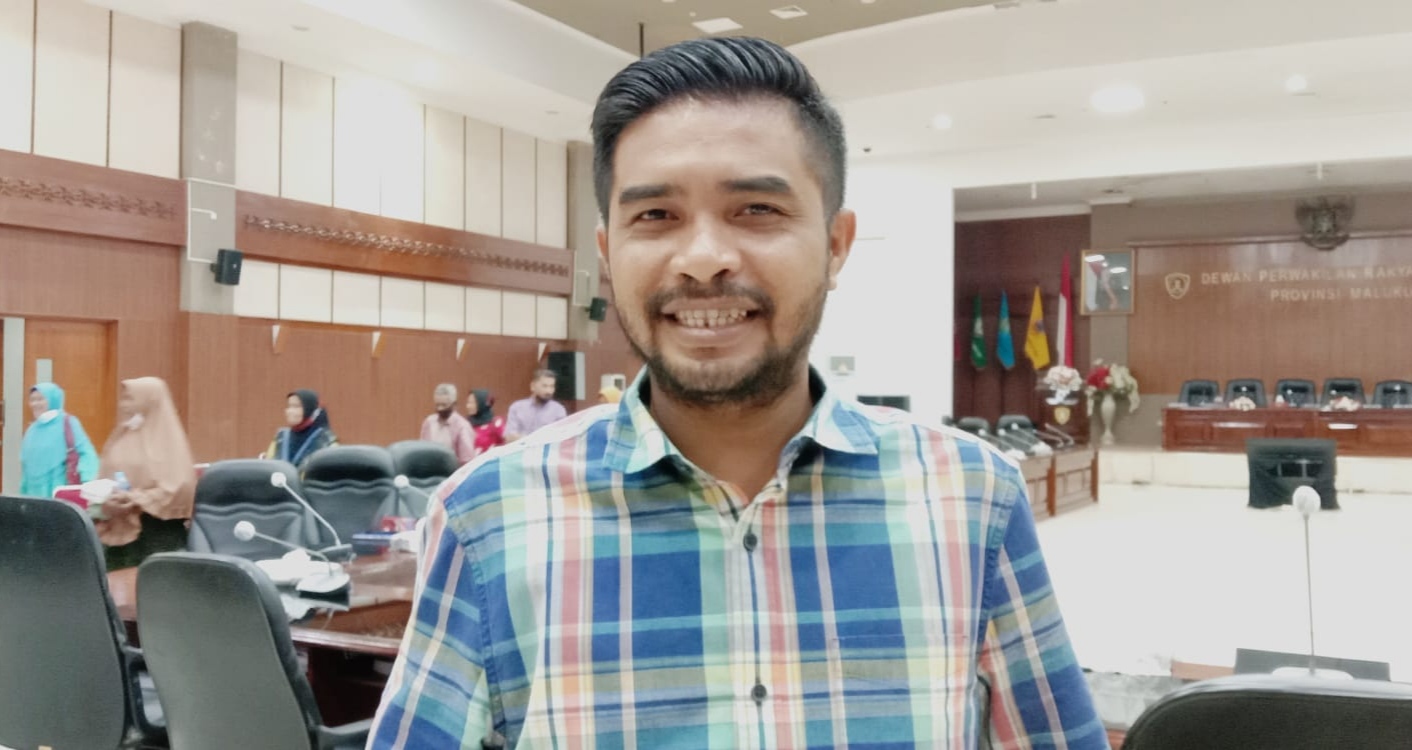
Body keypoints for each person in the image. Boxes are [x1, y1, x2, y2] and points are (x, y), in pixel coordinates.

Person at [370, 37, 1103, 749]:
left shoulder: (972, 497)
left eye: (756, 209)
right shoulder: (488, 516)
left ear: (837, 245)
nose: (703, 260)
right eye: (655, 216)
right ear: (607, 253)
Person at [97, 377, 196, 571]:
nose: (123, 404)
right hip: (118, 532)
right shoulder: (123, 435)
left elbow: (181, 486)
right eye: (123, 398)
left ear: (149, 400)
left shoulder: (168, 441)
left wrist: (137, 499)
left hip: (157, 534)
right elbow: (105, 475)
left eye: (130, 398)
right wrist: (106, 501)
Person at [19, 382, 100, 498]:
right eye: (32, 400)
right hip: (33, 491)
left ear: (53, 399)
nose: (35, 404)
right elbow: (26, 466)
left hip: (59, 488)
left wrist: (87, 482)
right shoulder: (32, 430)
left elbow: (87, 453)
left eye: (40, 399)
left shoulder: (68, 423)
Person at [266, 389, 338, 469]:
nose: (290, 411)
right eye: (289, 406)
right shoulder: (281, 438)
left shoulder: (326, 441)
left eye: (296, 406)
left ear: (309, 409)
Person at [501, 369, 567, 442]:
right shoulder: (517, 407)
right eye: (544, 386)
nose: (549, 391)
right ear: (533, 386)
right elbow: (509, 436)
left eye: (552, 386)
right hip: (521, 448)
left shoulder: (558, 410)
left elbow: (561, 437)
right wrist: (533, 440)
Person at [420, 383, 476, 464]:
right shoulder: (429, 422)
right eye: (437, 405)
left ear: (454, 404)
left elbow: (467, 460)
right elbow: (422, 451)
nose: (440, 408)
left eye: (444, 405)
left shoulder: (462, 426)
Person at [466, 388, 506, 459]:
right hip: (468, 464)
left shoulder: (496, 424)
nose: (468, 406)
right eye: (468, 403)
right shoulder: (465, 423)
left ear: (481, 403)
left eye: (472, 403)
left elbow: (505, 445)